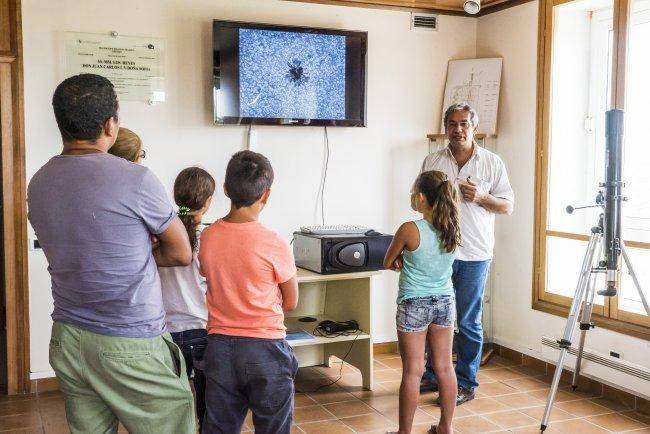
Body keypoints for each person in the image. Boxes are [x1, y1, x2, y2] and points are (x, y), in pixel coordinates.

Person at [28, 73, 196, 434]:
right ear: (110, 124)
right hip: (129, 340)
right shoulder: (135, 179)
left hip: (68, 338)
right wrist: (141, 253)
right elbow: (182, 253)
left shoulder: (39, 181)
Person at [419, 103, 514, 406]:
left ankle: (465, 383)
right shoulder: (432, 160)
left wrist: (483, 197)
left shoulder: (492, 163)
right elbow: (417, 202)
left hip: (475, 255)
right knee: (435, 318)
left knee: (469, 321)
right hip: (439, 253)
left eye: (464, 124)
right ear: (445, 127)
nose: (458, 130)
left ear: (475, 127)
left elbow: (507, 206)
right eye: (452, 124)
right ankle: (433, 376)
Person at [199, 150, 299, 434]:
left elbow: (209, 275)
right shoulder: (274, 242)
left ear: (226, 189)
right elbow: (291, 302)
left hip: (220, 349)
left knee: (219, 427)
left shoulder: (208, 236)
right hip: (265, 349)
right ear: (266, 195)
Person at [384, 170, 461, 434]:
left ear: (420, 197)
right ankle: (446, 427)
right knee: (445, 367)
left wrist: (401, 261)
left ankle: (405, 432)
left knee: (413, 371)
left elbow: (388, 261)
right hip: (445, 303)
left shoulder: (410, 229)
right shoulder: (452, 229)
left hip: (414, 303)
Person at [158, 167, 215, 431]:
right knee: (209, 404)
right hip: (202, 330)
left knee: (171, 404)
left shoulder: (161, 237)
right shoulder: (210, 239)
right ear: (208, 202)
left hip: (166, 333)